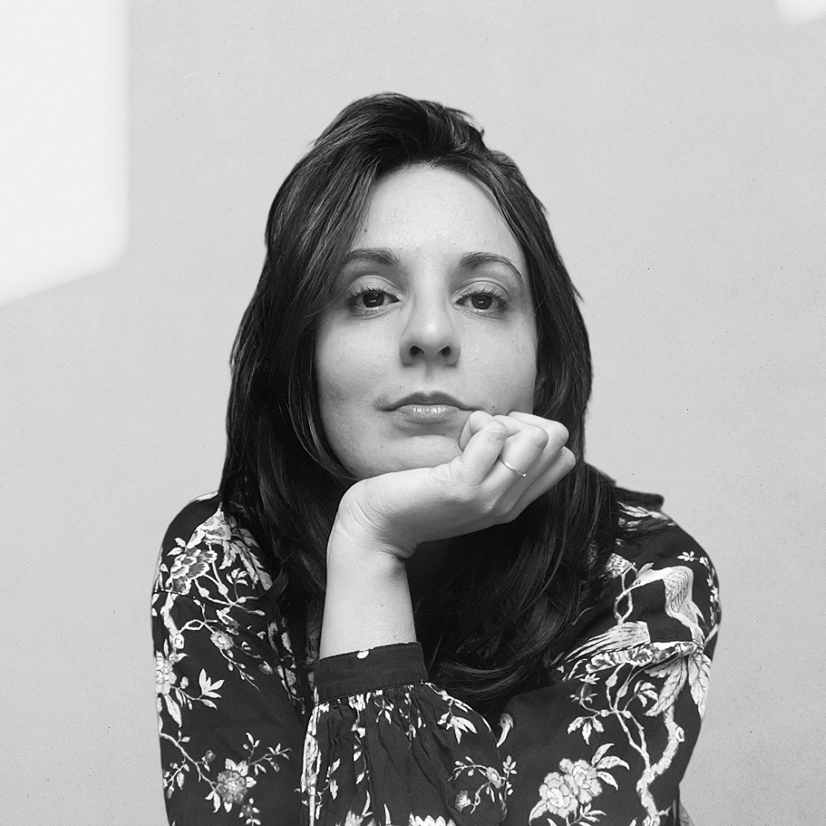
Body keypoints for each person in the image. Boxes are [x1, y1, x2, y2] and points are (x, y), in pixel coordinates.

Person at [152, 93, 720, 826]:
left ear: (544, 361)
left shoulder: (646, 578)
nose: (429, 332)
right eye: (371, 295)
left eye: (482, 298)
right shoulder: (220, 564)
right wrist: (369, 547)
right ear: (300, 355)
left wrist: (371, 543)